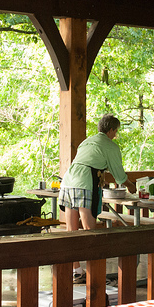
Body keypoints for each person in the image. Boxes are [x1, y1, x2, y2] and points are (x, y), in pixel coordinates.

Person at [59, 113, 136, 283]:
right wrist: (131, 186)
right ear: (111, 130)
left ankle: (77, 271)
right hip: (84, 183)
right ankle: (94, 273)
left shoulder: (87, 141)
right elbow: (119, 176)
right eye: (116, 131)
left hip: (68, 181)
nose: (115, 135)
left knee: (71, 231)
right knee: (90, 230)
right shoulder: (110, 146)